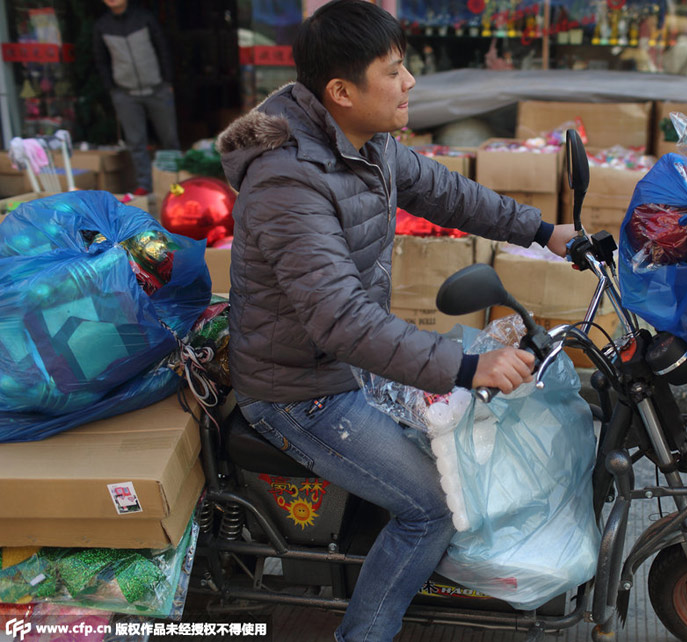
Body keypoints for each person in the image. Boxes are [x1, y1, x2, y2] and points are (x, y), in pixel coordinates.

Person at [215, 1, 577, 640]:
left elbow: (448, 193)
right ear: (342, 92)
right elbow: (340, 319)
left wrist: (547, 232)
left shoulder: (364, 143)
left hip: (347, 363)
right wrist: (470, 367)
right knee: (431, 509)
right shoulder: (288, 182)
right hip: (301, 393)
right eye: (395, 71)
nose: (410, 82)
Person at [92, 0, 180, 196]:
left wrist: (167, 81)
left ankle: (176, 184)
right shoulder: (102, 26)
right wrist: (112, 89)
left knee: (169, 138)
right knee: (136, 142)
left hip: (157, 88)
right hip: (125, 93)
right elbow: (101, 60)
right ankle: (145, 186)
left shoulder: (144, 18)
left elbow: (162, 48)